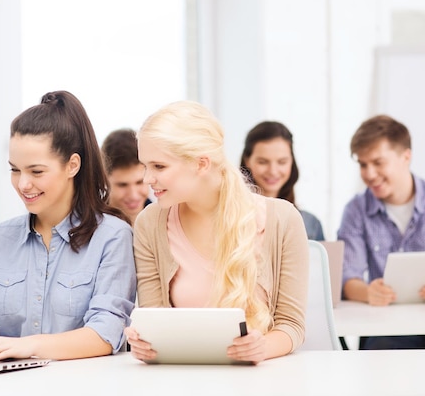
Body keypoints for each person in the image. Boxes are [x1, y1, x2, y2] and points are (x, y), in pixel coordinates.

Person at [125, 100, 309, 365]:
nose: (147, 179)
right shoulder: (150, 223)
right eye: (145, 165)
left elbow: (292, 325)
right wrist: (147, 345)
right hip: (183, 378)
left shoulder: (283, 219)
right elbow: (155, 318)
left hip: (260, 378)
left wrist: (262, 347)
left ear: (201, 164)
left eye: (159, 166)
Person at [0, 90, 137, 361]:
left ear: (72, 165)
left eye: (36, 171)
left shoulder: (112, 237)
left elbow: (106, 332)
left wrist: (30, 346)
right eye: (15, 170)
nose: (23, 184)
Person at [338, 114, 425, 350]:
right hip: (385, 328)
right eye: (363, 165)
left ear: (406, 157)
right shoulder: (356, 210)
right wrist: (368, 292)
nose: (369, 174)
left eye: (378, 162)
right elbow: (348, 279)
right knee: (382, 351)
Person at [240, 121, 325, 241]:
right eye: (263, 162)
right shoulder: (231, 219)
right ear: (247, 161)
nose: (273, 171)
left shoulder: (311, 225)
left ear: (291, 161)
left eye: (282, 162)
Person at [100, 128, 151, 225]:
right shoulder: (89, 228)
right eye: (122, 185)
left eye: (140, 182)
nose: (133, 195)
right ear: (104, 179)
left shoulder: (167, 220)